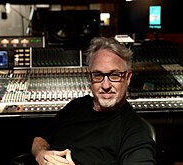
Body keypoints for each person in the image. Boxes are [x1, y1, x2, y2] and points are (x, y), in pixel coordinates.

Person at [31, 37, 156, 165]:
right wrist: (41, 154)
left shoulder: (135, 131)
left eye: (114, 75)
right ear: (90, 77)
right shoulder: (76, 106)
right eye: (98, 75)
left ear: (128, 78)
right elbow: (40, 138)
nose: (106, 85)